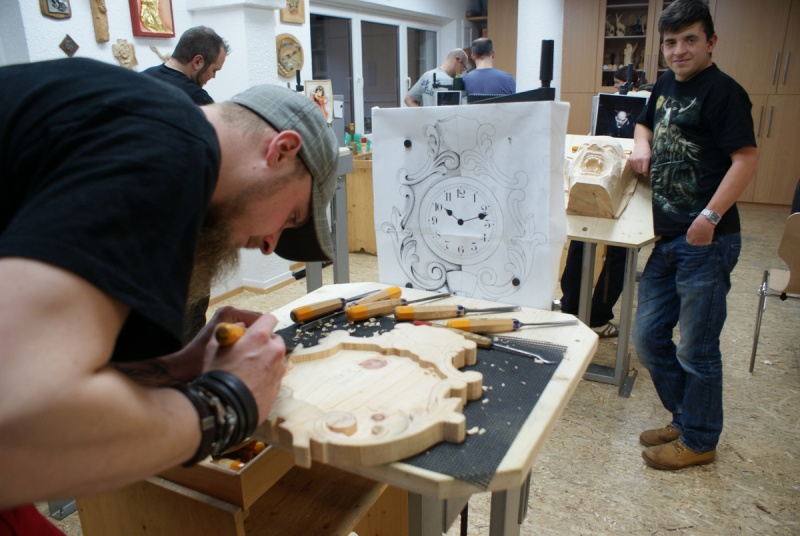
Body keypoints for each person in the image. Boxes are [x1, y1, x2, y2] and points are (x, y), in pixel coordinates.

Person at [0, 57, 339, 531]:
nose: (270, 244)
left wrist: (175, 368)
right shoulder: (171, 147)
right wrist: (225, 406)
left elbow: (53, 364)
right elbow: (18, 428)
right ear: (281, 150)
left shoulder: (142, 126)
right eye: (292, 218)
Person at [629, 0, 758, 470]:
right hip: (668, 239)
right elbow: (644, 121)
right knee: (648, 338)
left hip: (707, 239)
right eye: (670, 42)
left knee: (696, 348)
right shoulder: (665, 83)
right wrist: (641, 144)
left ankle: (700, 440)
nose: (679, 51)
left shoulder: (724, 92)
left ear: (710, 42)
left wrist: (708, 218)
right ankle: (685, 418)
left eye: (690, 40)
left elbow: (746, 159)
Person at [559, 67, 647, 338]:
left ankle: (591, 314)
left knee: (619, 248)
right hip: (598, 179)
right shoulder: (609, 110)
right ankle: (576, 310)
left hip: (628, 180)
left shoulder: (648, 102)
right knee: (583, 241)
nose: (619, 88)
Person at [142, 26, 229, 105]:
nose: (213, 76)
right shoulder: (197, 98)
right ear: (197, 62)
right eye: (214, 70)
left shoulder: (141, 78)